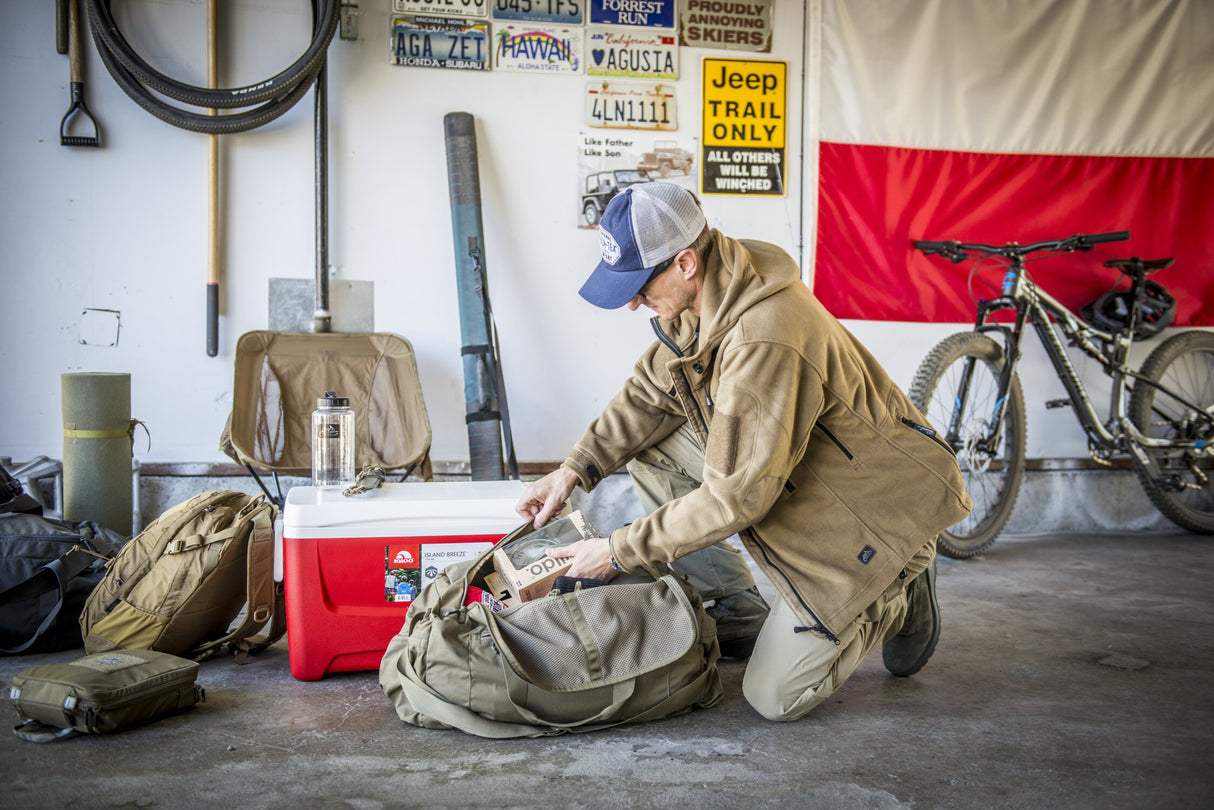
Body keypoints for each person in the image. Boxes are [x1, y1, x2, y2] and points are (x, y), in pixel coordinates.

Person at [516, 182, 972, 721]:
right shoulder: (710, 287)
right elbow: (648, 394)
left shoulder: (764, 337)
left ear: (685, 262)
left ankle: (900, 583)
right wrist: (572, 471)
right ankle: (737, 603)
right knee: (652, 447)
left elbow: (736, 498)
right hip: (806, 478)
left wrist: (618, 551)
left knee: (775, 697)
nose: (634, 301)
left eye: (639, 285)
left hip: (878, 510)